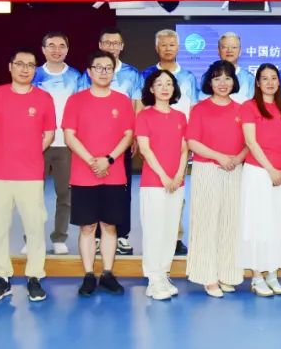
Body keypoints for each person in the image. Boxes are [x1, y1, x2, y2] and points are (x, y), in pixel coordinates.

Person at [0, 49, 56, 303]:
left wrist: (30, 153)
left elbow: (49, 134)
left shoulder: (44, 98)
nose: (25, 69)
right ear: (10, 66)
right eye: (20, 64)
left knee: (34, 227)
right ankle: (1, 278)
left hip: (31, 175)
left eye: (31, 65)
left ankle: (34, 276)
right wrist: (4, 152)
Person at [62, 50, 135, 296]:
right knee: (87, 227)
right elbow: (70, 135)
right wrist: (92, 161)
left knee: (109, 226)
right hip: (84, 174)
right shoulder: (76, 101)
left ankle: (107, 273)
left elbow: (128, 135)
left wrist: (109, 159)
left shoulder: (122, 101)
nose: (104, 72)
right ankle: (88, 275)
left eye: (108, 68)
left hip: (113, 173)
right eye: (99, 67)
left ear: (113, 73)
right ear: (89, 72)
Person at [186, 60, 249, 298]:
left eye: (227, 78)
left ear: (234, 81)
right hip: (207, 170)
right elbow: (192, 142)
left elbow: (250, 141)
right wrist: (220, 157)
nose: (222, 83)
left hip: (235, 170)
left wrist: (238, 158)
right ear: (209, 82)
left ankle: (227, 273)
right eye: (217, 78)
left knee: (231, 223)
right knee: (206, 222)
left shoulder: (242, 109)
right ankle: (207, 276)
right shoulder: (200, 109)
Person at [79, 27, 143, 255]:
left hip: (121, 142)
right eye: (107, 43)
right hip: (92, 142)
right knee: (93, 189)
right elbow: (81, 104)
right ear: (100, 45)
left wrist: (134, 135)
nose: (111, 47)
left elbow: (137, 105)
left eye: (116, 43)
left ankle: (122, 235)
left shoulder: (132, 73)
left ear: (122, 46)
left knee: (122, 190)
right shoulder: (87, 74)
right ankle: (96, 236)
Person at [238, 63, 281, 297]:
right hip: (258, 172)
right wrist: (271, 169)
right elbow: (251, 142)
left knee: (279, 222)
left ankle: (272, 273)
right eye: (265, 78)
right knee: (258, 222)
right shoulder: (249, 106)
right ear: (258, 83)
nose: (270, 82)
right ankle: (256, 276)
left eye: (274, 78)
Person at [141, 29, 199, 256]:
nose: (167, 48)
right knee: (156, 193)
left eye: (172, 44)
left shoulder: (188, 76)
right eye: (163, 44)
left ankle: (175, 237)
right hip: (153, 140)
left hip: (181, 140)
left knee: (178, 192)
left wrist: (191, 141)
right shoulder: (146, 74)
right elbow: (140, 105)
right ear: (157, 48)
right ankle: (156, 247)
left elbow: (193, 109)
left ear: (178, 47)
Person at [136, 69, 189, 300]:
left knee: (170, 230)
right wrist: (164, 177)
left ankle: (163, 273)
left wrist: (178, 175)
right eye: (159, 84)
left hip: (177, 183)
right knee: (154, 230)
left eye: (169, 83)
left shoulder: (180, 117)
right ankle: (153, 278)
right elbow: (145, 150)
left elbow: (184, 149)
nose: (165, 88)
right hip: (154, 182)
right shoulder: (144, 116)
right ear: (151, 89)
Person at [31, 31, 83, 255]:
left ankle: (59, 237)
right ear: (43, 49)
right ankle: (31, 238)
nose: (56, 50)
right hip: (37, 144)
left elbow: (82, 108)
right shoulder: (33, 74)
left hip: (67, 144)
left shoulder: (76, 77)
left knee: (65, 195)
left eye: (61, 46)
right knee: (32, 195)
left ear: (67, 49)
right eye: (51, 45)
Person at [207, 32, 257, 104]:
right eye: (225, 47)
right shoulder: (208, 76)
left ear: (240, 51)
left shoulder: (249, 78)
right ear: (218, 50)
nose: (229, 50)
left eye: (234, 47)